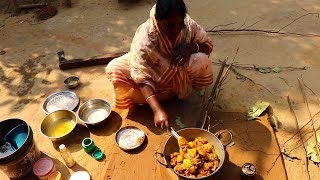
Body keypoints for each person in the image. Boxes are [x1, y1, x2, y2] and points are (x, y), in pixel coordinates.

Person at [106, 0, 213, 129]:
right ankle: (155, 100)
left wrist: (191, 47)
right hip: (155, 81)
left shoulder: (188, 25)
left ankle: (178, 93)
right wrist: (157, 111)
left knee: (201, 59)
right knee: (114, 68)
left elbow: (207, 46)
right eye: (169, 25)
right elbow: (141, 76)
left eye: (179, 24)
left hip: (179, 76)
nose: (175, 30)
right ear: (157, 19)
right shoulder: (145, 38)